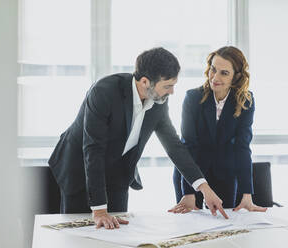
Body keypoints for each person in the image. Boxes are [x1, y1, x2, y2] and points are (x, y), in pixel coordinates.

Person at [48, 47, 229, 230]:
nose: (172, 92)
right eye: (168, 86)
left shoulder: (159, 101)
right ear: (145, 81)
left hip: (117, 170)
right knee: (80, 232)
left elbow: (174, 147)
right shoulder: (104, 92)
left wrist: (204, 188)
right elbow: (93, 149)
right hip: (79, 166)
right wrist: (100, 211)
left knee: (117, 230)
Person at [169, 46, 267, 214]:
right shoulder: (192, 98)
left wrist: (247, 193)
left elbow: (242, 147)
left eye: (224, 73)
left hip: (226, 174)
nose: (215, 77)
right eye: (213, 69)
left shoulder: (245, 101)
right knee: (191, 227)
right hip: (192, 175)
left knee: (225, 224)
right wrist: (189, 191)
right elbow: (189, 146)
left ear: (236, 77)